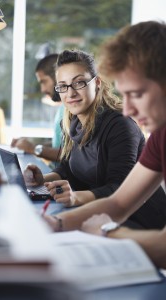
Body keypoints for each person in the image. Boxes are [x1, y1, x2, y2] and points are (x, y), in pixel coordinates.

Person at [43, 21, 166, 268]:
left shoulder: (121, 125)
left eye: (137, 94)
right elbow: (119, 202)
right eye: (125, 94)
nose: (128, 108)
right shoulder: (161, 135)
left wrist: (107, 232)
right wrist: (55, 224)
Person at [25, 49, 166, 230]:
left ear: (97, 83)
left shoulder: (120, 126)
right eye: (63, 86)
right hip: (101, 214)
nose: (71, 93)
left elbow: (120, 188)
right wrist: (41, 180)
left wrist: (76, 197)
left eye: (79, 83)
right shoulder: (71, 123)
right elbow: (69, 168)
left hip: (138, 219)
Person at [11, 54, 64, 164]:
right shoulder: (63, 108)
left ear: (57, 76)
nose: (42, 89)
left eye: (44, 81)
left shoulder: (74, 110)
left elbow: (73, 155)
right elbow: (58, 144)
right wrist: (29, 146)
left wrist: (34, 149)